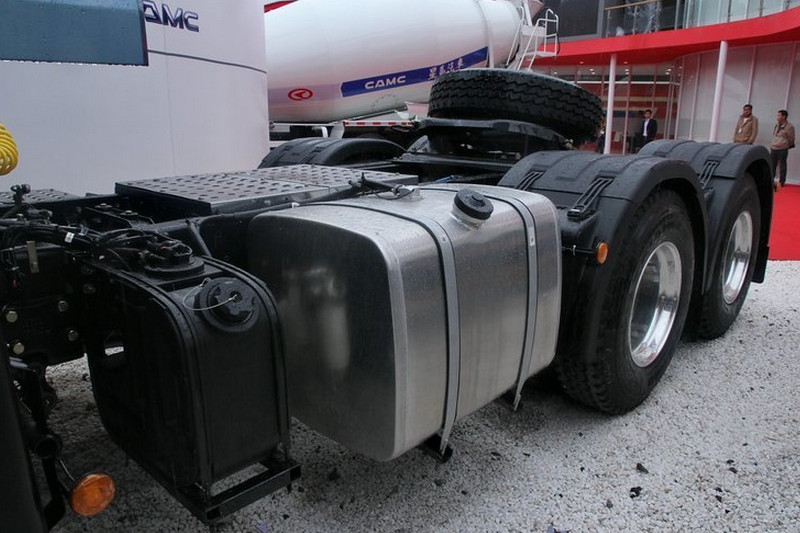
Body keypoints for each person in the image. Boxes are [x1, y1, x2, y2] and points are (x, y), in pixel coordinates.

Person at [770, 109, 795, 189]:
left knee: (782, 165)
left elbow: (791, 138)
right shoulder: (777, 125)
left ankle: (782, 181)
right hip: (774, 146)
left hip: (783, 147)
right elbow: (774, 134)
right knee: (772, 164)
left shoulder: (789, 126)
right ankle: (771, 179)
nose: (777, 117)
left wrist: (787, 145)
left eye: (779, 115)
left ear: (784, 117)